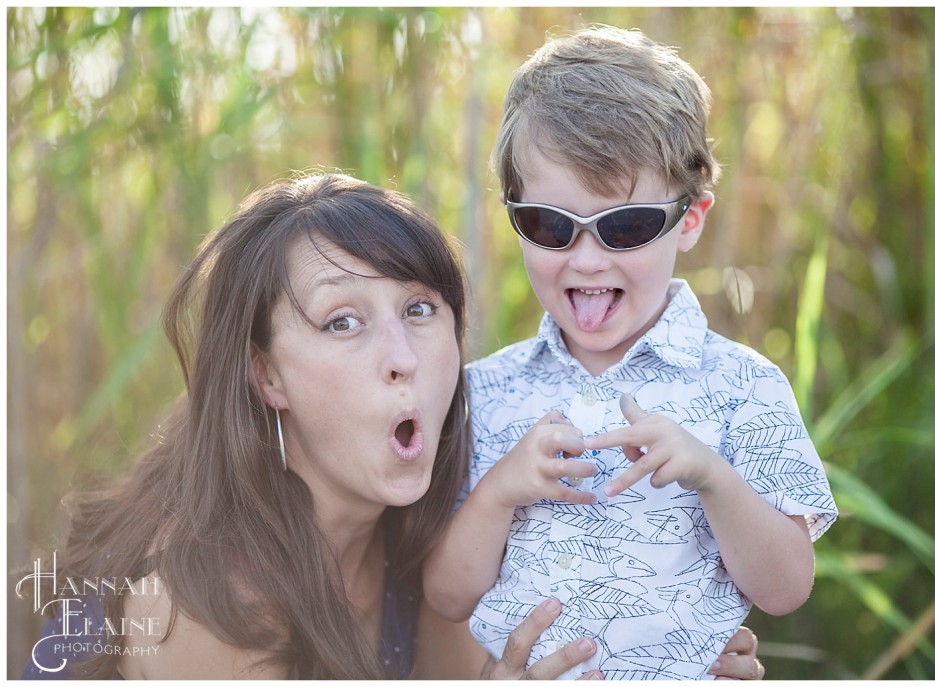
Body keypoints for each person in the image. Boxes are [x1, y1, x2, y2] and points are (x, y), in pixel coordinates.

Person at [18, 171, 764, 680]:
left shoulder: (434, 546)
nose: (402, 358)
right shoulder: (195, 602)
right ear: (265, 374)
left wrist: (668, 656)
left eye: (419, 309)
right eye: (343, 321)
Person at [422, 26, 838, 680]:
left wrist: (712, 476)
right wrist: (499, 491)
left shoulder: (743, 385)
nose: (587, 258)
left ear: (690, 218)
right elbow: (446, 594)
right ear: (514, 212)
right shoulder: (481, 392)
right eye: (550, 225)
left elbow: (786, 588)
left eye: (626, 226)